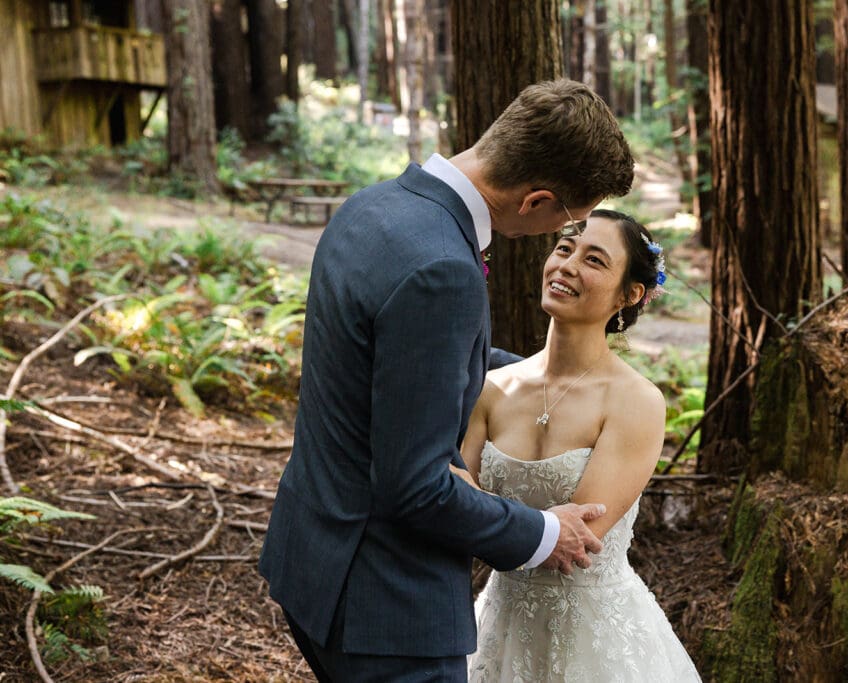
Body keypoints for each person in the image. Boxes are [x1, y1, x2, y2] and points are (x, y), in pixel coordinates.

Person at [258, 79, 636, 682]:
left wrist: (553, 380)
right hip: (387, 610)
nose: (560, 240)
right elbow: (416, 489)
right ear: (537, 200)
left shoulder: (373, 206)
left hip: (312, 559)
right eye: (570, 222)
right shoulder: (443, 270)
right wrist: (542, 532)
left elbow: (405, 360)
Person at [458, 210, 702, 681]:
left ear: (629, 295)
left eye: (594, 259)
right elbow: (451, 505)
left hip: (594, 637)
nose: (567, 265)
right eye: (565, 248)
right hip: (498, 625)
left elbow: (578, 541)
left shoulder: (636, 401)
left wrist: (472, 506)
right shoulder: (491, 388)